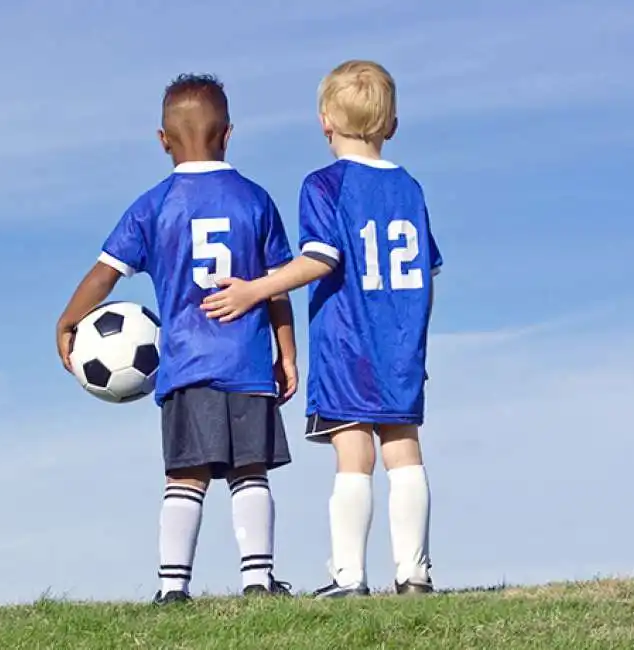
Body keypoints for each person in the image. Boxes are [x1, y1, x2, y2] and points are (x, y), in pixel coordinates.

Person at [201, 60, 442, 598]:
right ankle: (414, 574)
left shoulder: (325, 185)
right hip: (402, 341)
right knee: (404, 447)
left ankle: (348, 577)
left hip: (349, 342)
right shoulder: (410, 188)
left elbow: (320, 258)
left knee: (353, 450)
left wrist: (253, 289)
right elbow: (428, 269)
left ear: (324, 122)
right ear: (393, 125)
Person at [55, 73, 298, 605]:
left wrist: (68, 320)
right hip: (247, 361)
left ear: (162, 140)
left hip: (186, 365)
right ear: (229, 134)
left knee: (184, 476)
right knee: (250, 471)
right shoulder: (256, 200)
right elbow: (279, 286)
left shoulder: (154, 205)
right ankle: (257, 580)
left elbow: (105, 273)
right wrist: (287, 352)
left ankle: (172, 588)